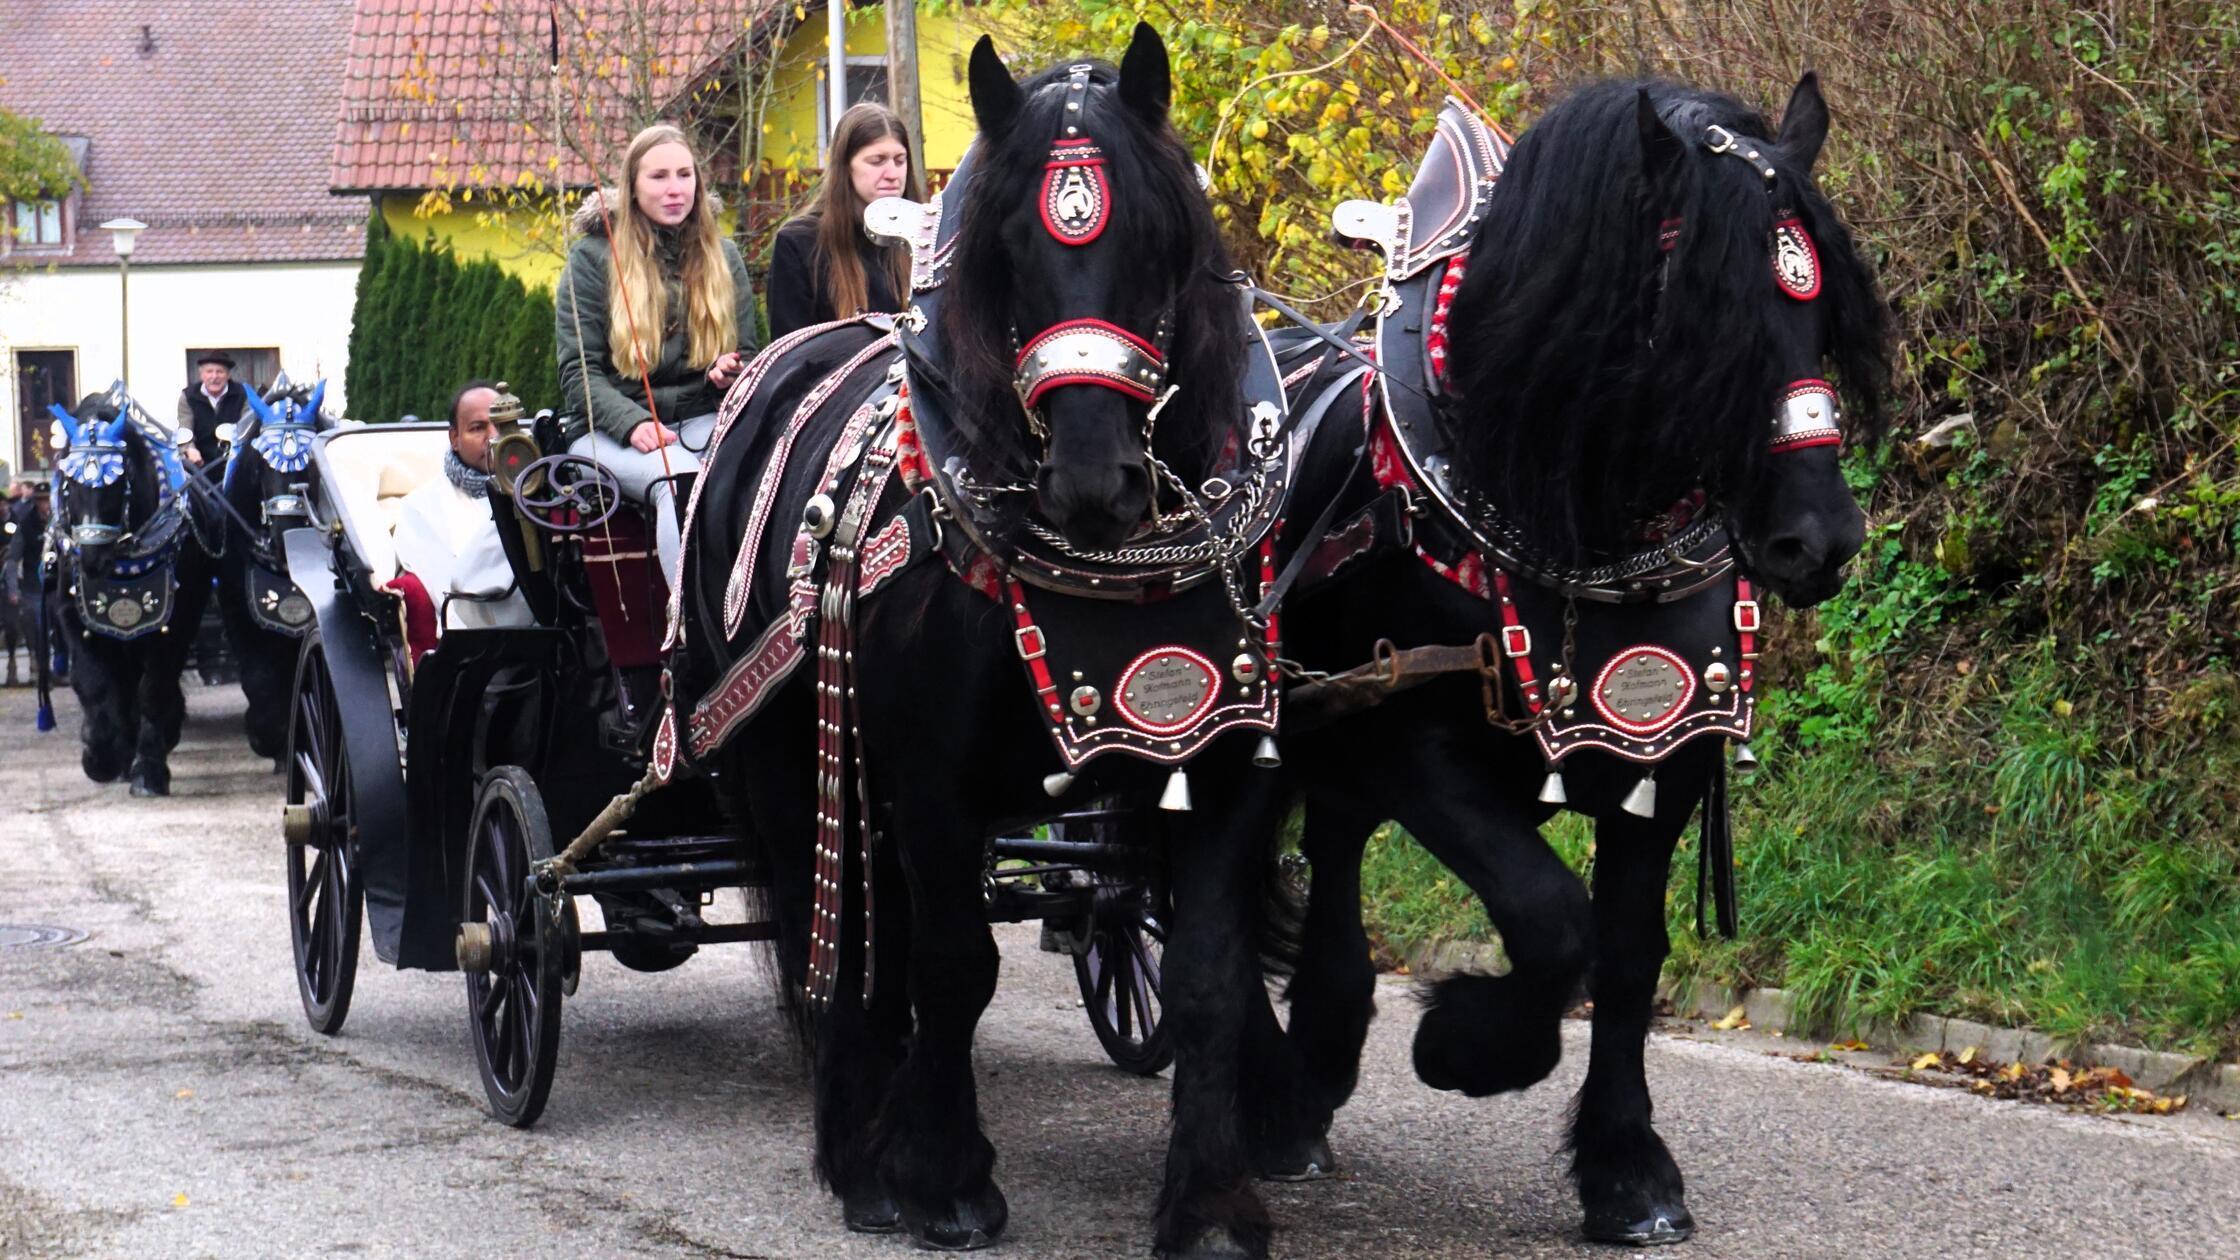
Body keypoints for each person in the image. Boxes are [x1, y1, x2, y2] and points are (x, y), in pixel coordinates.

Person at [555, 122, 758, 590]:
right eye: (659, 176)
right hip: (606, 431)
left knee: (765, 466)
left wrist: (729, 373)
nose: (675, 189)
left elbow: (749, 354)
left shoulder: (724, 256)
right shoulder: (590, 259)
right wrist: (631, 423)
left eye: (685, 175)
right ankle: (689, 630)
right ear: (632, 187)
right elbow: (578, 373)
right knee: (679, 483)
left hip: (700, 418)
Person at [765, 102, 921, 339]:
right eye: (877, 161)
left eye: (900, 161)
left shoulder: (925, 237)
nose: (893, 174)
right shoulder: (799, 243)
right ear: (846, 166)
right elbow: (791, 352)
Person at [389, 380, 531, 633]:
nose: (492, 438)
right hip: (473, 642)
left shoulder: (536, 486)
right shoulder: (420, 508)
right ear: (455, 438)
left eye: (501, 426)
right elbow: (451, 597)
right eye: (478, 428)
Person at [177, 351, 247, 467]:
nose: (214, 377)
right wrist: (190, 449)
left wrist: (238, 452)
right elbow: (185, 429)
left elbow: (247, 429)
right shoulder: (188, 396)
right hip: (199, 464)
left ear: (228, 375)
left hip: (236, 461)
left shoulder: (243, 395)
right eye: (209, 371)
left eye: (220, 372)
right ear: (201, 375)